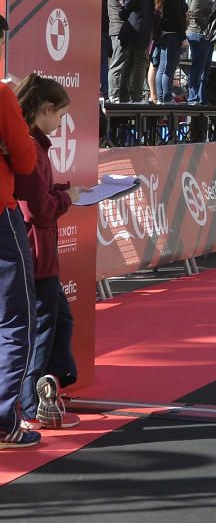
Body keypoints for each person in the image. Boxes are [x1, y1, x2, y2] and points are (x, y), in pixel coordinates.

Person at [14, 75, 84, 431]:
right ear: (45, 109)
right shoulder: (30, 146)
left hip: (39, 253)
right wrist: (67, 198)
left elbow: (38, 197)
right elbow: (36, 209)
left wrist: (64, 191)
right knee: (40, 330)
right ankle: (32, 404)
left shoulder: (35, 145)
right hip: (35, 255)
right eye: (60, 115)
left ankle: (47, 389)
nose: (61, 123)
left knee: (58, 320)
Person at [0, 15, 41, 449]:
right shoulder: (2, 94)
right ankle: (3, 422)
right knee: (15, 318)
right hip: (0, 215)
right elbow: (27, 162)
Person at [153, 0, 189, 104]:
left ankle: (162, 98)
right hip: (172, 36)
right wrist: (183, 37)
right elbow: (177, 21)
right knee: (169, 68)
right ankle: (166, 98)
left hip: (166, 36)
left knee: (164, 68)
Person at [185, 0, 214, 105]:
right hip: (198, 34)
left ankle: (201, 97)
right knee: (198, 67)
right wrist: (206, 28)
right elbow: (194, 12)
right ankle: (194, 97)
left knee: (203, 68)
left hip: (201, 35)